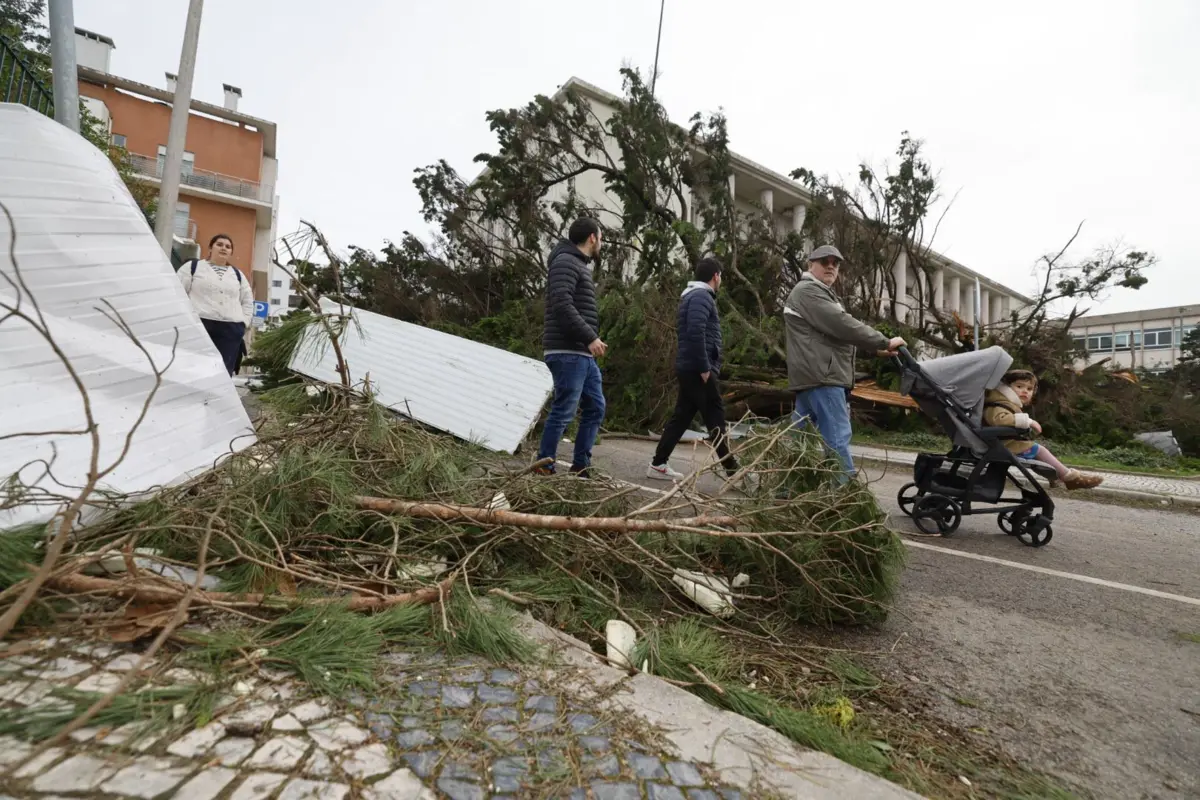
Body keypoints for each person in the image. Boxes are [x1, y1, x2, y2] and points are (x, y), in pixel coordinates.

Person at [784, 245, 905, 478]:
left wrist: (876, 351)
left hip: (812, 377)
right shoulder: (809, 292)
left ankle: (786, 490)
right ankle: (845, 497)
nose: (831, 266)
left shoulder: (818, 293)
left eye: (835, 263)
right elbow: (843, 325)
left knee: (798, 441)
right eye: (824, 261)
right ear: (811, 265)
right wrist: (883, 341)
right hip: (823, 378)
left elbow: (834, 336)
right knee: (837, 438)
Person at [647, 257, 742, 482]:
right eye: (720, 276)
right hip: (698, 368)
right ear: (715, 276)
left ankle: (658, 463)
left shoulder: (696, 296)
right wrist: (704, 366)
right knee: (715, 413)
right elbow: (696, 331)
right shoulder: (701, 297)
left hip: (691, 367)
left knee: (682, 417)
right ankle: (732, 469)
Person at [536, 218, 607, 477]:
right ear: (592, 238)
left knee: (596, 407)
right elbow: (562, 305)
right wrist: (590, 337)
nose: (601, 242)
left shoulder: (576, 264)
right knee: (564, 409)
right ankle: (544, 464)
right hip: (568, 351)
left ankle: (581, 465)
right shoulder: (565, 262)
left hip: (581, 353)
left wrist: (588, 342)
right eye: (600, 237)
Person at [984, 369, 1104, 489]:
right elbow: (999, 420)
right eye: (1019, 386)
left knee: (1036, 454)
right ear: (1006, 387)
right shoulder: (998, 403)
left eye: (1029, 389)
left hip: (1002, 443)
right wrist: (1028, 421)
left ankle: (1057, 477)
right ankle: (1069, 478)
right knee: (1038, 450)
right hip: (1001, 445)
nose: (1025, 391)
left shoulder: (1005, 403)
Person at [177, 233, 254, 377]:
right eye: (219, 244)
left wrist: (243, 323)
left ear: (231, 252)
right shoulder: (192, 268)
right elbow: (178, 294)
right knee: (194, 369)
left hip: (230, 329)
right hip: (200, 325)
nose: (224, 248)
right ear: (210, 248)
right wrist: (185, 320)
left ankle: (214, 400)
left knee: (222, 373)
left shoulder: (238, 275)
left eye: (228, 246)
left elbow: (248, 301)